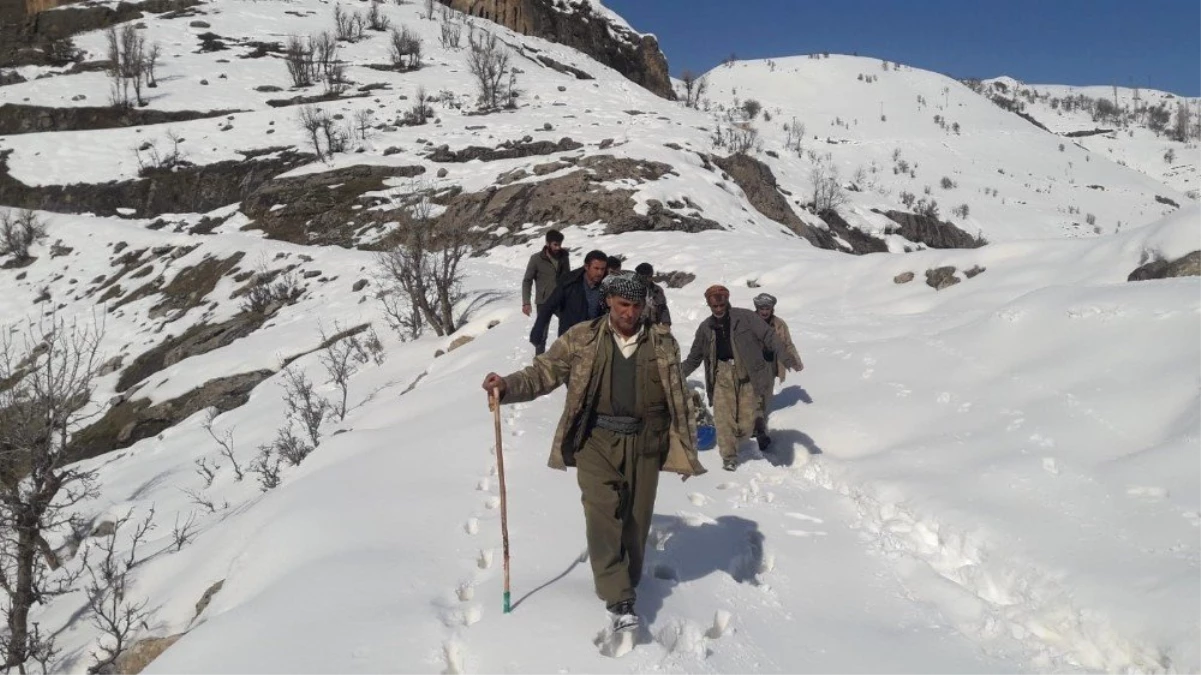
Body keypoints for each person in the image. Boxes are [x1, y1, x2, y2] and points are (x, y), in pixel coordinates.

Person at [482, 274, 705, 633]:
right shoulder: (581, 338)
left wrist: (685, 447)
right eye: (622, 306)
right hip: (595, 440)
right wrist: (508, 386)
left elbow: (677, 397)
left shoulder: (664, 344)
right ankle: (618, 597)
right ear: (608, 303)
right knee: (602, 513)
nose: (630, 314)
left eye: (636, 306)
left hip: (646, 442)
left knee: (635, 523)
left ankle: (628, 578)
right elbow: (544, 372)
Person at [680, 285, 799, 471]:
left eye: (721, 305)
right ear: (709, 306)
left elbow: (769, 336)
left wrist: (786, 357)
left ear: (727, 302)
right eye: (714, 307)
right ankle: (729, 456)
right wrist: (675, 375)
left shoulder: (746, 318)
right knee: (723, 417)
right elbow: (694, 357)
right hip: (722, 374)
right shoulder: (705, 328)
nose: (718, 310)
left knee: (747, 422)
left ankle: (740, 439)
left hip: (747, 374)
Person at [751, 293, 804, 447]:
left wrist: (795, 361)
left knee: (765, 398)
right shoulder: (748, 321)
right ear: (757, 308)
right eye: (761, 308)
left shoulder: (779, 324)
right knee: (754, 397)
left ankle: (759, 424)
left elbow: (788, 344)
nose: (764, 311)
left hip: (771, 365)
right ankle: (758, 429)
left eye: (767, 308)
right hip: (751, 365)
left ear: (772, 308)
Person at [530, 250, 608, 350]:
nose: (600, 272)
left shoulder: (607, 285)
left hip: (595, 339)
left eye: (602, 269)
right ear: (586, 267)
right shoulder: (569, 282)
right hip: (570, 339)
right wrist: (538, 330)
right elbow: (549, 306)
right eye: (596, 268)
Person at [522, 229, 572, 354]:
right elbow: (527, 280)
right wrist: (526, 302)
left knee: (568, 329)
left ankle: (563, 358)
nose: (558, 247)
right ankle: (539, 363)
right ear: (548, 243)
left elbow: (568, 277)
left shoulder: (564, 256)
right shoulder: (536, 259)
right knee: (542, 334)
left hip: (561, 300)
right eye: (555, 244)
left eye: (560, 244)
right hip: (543, 301)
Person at [635, 262, 671, 329]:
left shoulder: (657, 290)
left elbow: (663, 308)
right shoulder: (631, 289)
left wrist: (666, 324)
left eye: (650, 276)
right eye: (648, 276)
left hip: (653, 326)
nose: (650, 278)